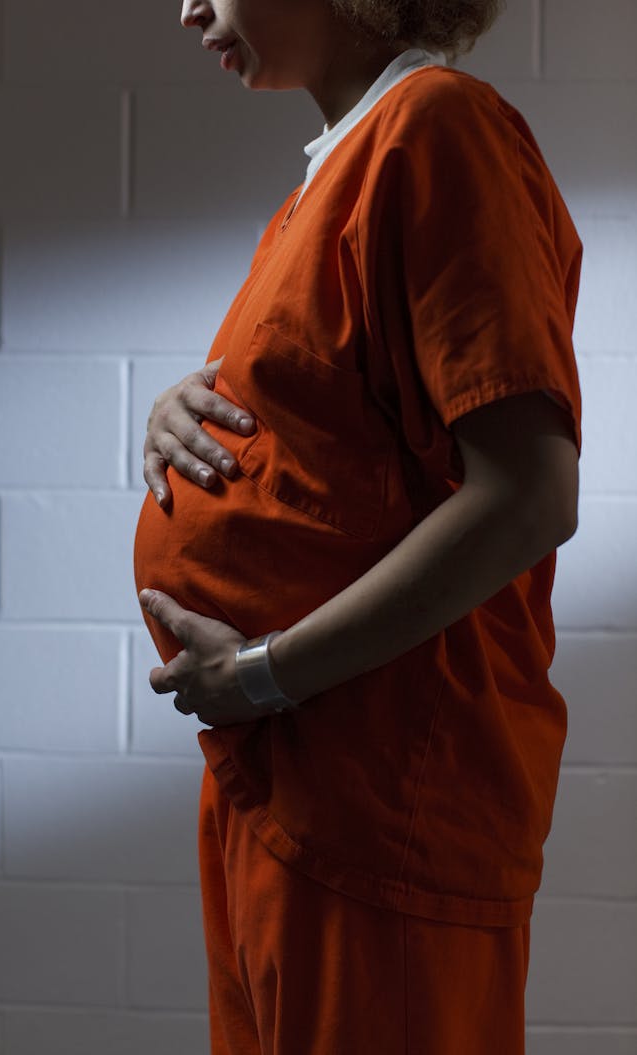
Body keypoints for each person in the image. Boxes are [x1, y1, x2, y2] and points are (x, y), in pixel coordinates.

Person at [133, 1, 582, 1051]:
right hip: (281, 781)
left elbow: (527, 492)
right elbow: (329, 447)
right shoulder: (324, 178)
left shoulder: (437, 130)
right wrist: (173, 414)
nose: (188, 5)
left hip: (381, 800)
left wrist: (263, 670)